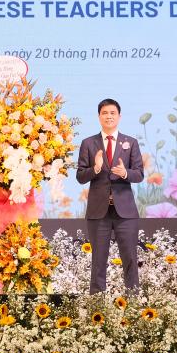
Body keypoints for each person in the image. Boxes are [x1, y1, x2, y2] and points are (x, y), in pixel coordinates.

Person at [75, 98, 145, 294]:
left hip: (125, 212)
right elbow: (80, 177)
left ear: (119, 117)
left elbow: (139, 174)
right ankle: (97, 306)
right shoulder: (88, 143)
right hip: (99, 212)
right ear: (99, 117)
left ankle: (132, 302)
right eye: (105, 113)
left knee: (130, 258)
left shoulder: (130, 143)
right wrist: (95, 168)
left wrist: (125, 173)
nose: (109, 116)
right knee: (98, 261)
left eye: (112, 113)